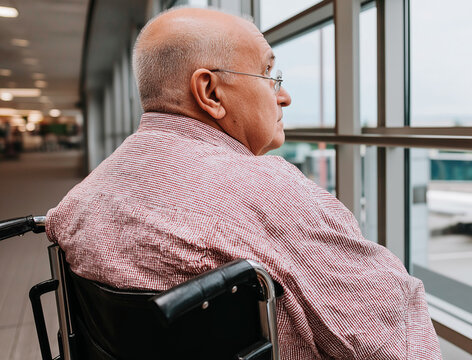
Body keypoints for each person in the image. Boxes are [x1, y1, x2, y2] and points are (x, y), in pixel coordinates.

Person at [46, 7, 442, 359]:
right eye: (269, 74)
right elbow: (390, 335)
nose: (283, 96)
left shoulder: (82, 197)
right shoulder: (269, 193)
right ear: (210, 92)